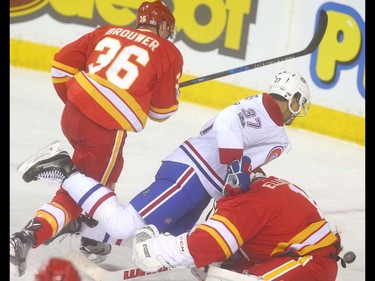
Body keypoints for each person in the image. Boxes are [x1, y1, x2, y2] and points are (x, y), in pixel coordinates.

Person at [11, 70, 311, 276]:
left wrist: (239, 179)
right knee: (123, 225)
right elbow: (229, 122)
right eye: (299, 102)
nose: (298, 110)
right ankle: (64, 167)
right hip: (192, 172)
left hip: (204, 183)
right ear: (291, 96)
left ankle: (83, 226)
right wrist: (234, 166)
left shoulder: (276, 130)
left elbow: (245, 158)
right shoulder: (263, 107)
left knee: (165, 240)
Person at [10, 0, 183, 277]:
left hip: (73, 114)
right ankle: (27, 237)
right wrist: (161, 94)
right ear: (163, 25)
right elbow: (161, 113)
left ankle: (93, 230)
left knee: (114, 166)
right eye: (167, 29)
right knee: (78, 191)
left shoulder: (107, 31)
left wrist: (77, 101)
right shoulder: (168, 51)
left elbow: (60, 64)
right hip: (103, 129)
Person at [132, 169, 345, 281]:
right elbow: (264, 238)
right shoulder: (267, 186)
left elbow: (206, 244)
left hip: (310, 265)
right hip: (301, 258)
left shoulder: (250, 201)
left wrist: (156, 249)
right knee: (220, 272)